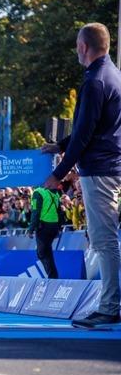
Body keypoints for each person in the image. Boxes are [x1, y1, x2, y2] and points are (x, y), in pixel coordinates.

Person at [41, 23, 121, 328]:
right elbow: (91, 127)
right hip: (108, 166)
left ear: (83, 47)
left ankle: (110, 306)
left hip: (100, 170)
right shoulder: (112, 75)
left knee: (104, 240)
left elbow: (85, 134)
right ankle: (112, 302)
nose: (76, 49)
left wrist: (59, 174)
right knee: (106, 240)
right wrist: (60, 145)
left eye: (77, 44)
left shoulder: (95, 81)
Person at [29, 186, 62, 279]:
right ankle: (53, 276)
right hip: (54, 226)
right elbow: (59, 211)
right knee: (47, 251)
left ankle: (53, 277)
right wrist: (59, 226)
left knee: (42, 253)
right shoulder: (54, 193)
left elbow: (36, 212)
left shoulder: (38, 192)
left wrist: (31, 229)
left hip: (43, 226)